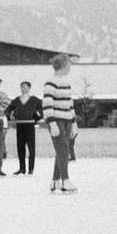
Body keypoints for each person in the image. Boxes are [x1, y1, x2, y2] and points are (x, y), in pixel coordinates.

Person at [43, 54, 78, 193]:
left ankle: (55, 181)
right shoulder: (50, 83)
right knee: (63, 150)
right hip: (56, 120)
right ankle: (65, 180)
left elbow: (71, 104)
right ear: (63, 65)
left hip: (68, 120)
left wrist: (74, 122)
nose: (70, 67)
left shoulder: (67, 83)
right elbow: (47, 104)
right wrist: (51, 123)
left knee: (62, 151)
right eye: (69, 64)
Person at [6, 81, 43, 174]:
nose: (23, 89)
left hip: (30, 124)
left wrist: (36, 118)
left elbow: (43, 109)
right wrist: (11, 115)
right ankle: (22, 168)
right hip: (20, 124)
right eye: (21, 87)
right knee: (20, 147)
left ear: (29, 88)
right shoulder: (16, 100)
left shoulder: (34, 100)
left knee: (31, 147)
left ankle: (31, 169)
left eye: (25, 87)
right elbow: (9, 109)